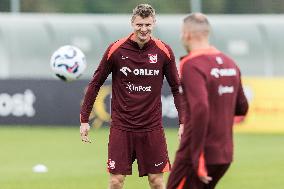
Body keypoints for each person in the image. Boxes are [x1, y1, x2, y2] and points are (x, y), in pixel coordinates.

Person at [80, 4, 184, 189]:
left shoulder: (163, 51)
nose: (143, 29)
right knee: (115, 182)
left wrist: (183, 122)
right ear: (132, 24)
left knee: (157, 182)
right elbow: (95, 83)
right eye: (139, 25)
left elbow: (176, 88)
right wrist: (84, 119)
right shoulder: (116, 50)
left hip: (152, 128)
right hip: (122, 127)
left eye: (147, 25)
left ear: (154, 23)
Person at [167, 13, 249, 189]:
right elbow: (242, 107)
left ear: (187, 34)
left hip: (197, 156)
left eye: (182, 33)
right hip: (224, 154)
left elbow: (200, 108)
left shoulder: (191, 64)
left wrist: (197, 157)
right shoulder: (230, 63)